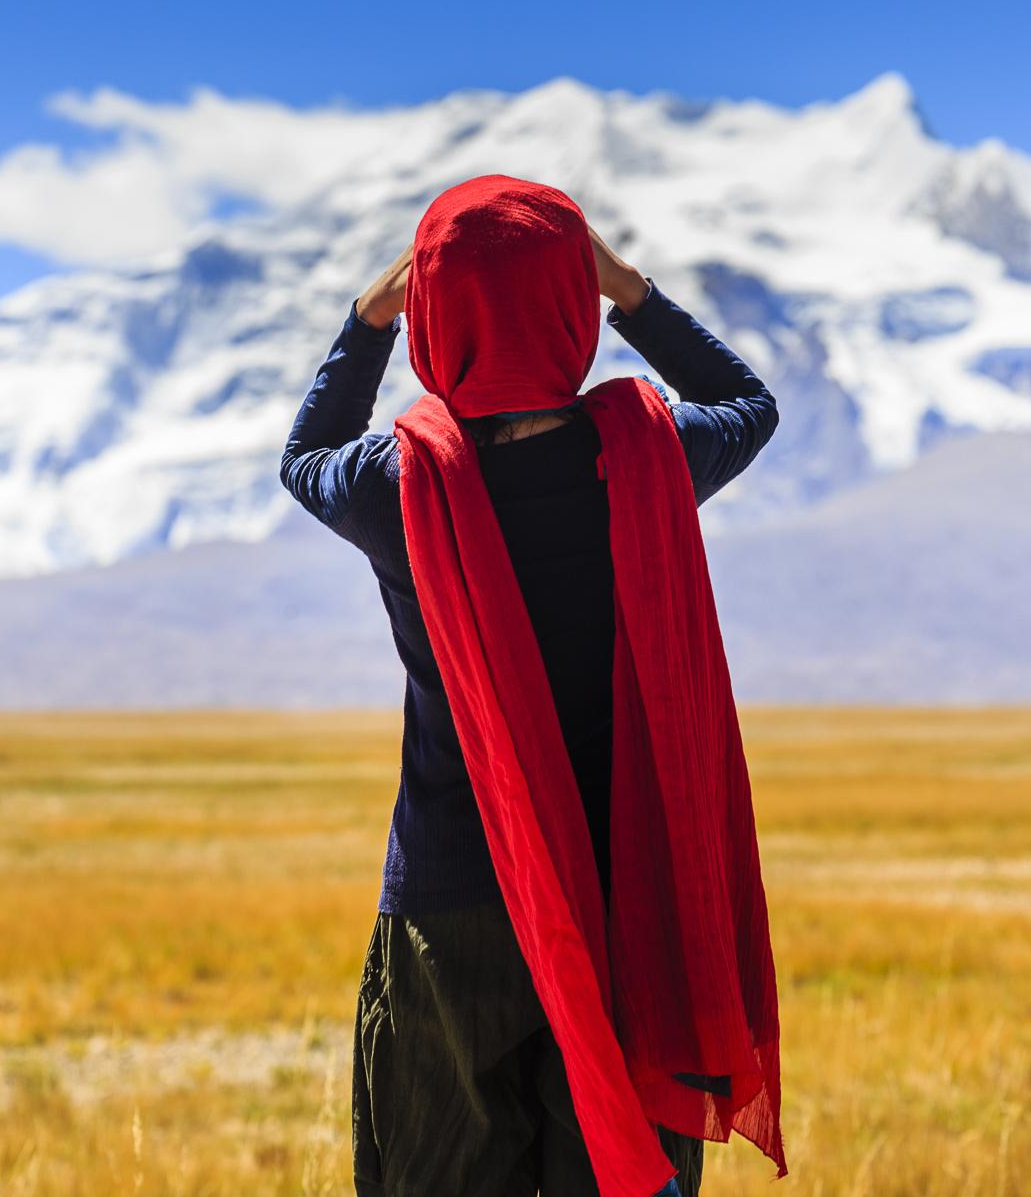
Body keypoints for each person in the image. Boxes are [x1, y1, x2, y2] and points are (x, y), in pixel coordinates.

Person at [279, 174, 785, 1197]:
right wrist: (627, 287)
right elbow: (751, 403)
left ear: (434, 312)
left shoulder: (398, 484)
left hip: (453, 905)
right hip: (626, 896)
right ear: (567, 308)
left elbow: (305, 456)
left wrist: (372, 313)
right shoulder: (653, 456)